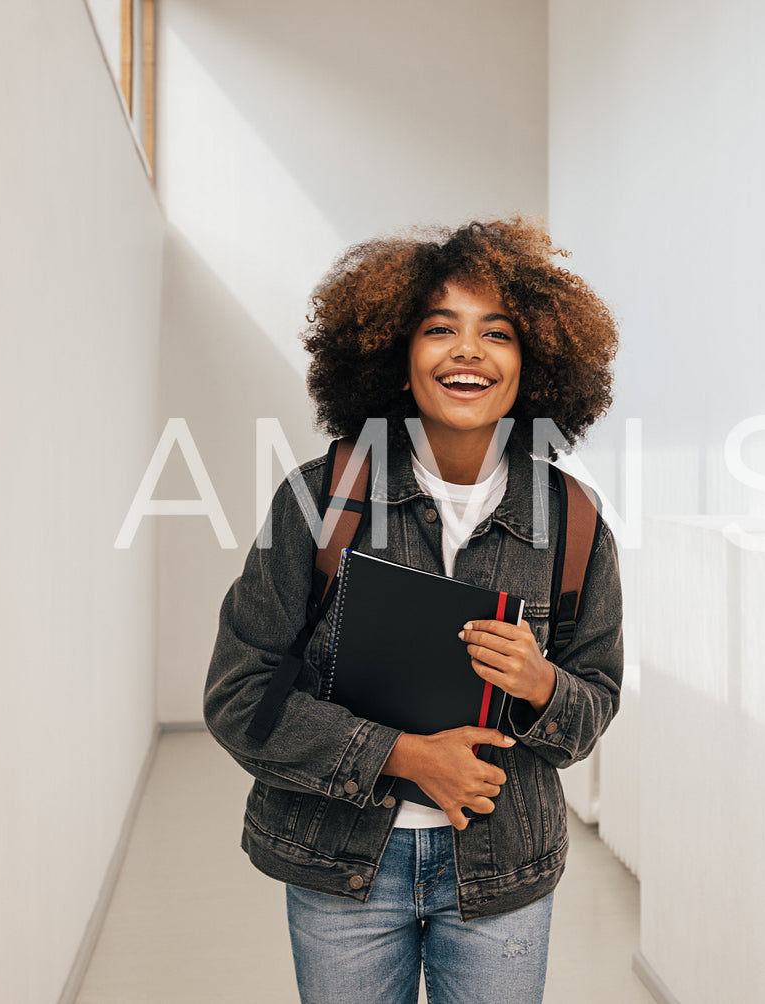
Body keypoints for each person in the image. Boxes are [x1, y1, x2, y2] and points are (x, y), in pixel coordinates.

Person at [203, 217, 624, 1004]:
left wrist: (539, 684)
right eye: (439, 329)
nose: (468, 350)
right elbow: (239, 697)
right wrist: (401, 756)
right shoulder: (318, 499)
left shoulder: (572, 519)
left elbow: (592, 705)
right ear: (397, 358)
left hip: (503, 872)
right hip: (341, 870)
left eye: (496, 333)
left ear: (531, 363)